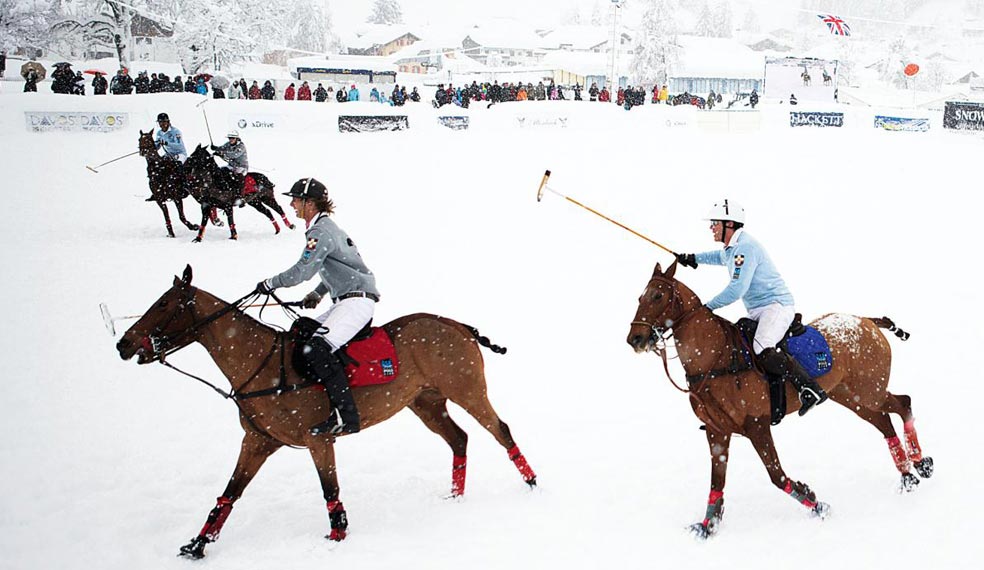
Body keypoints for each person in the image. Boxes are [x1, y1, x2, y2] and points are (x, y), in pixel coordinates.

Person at [675, 200, 828, 416]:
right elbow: (720, 257)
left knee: (761, 346)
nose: (712, 228)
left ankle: (809, 389)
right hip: (758, 310)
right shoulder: (733, 249)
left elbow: (737, 289)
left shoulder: (745, 248)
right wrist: (694, 258)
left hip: (776, 306)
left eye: (715, 223)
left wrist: (706, 308)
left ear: (730, 224)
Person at [255, 177, 379, 435]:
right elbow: (344, 267)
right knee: (300, 332)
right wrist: (318, 292)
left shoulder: (320, 232)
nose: (291, 204)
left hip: (356, 302)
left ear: (309, 203)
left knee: (318, 349)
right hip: (348, 298)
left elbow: (302, 271)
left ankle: (346, 416)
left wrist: (270, 283)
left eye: (296, 200)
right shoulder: (326, 227)